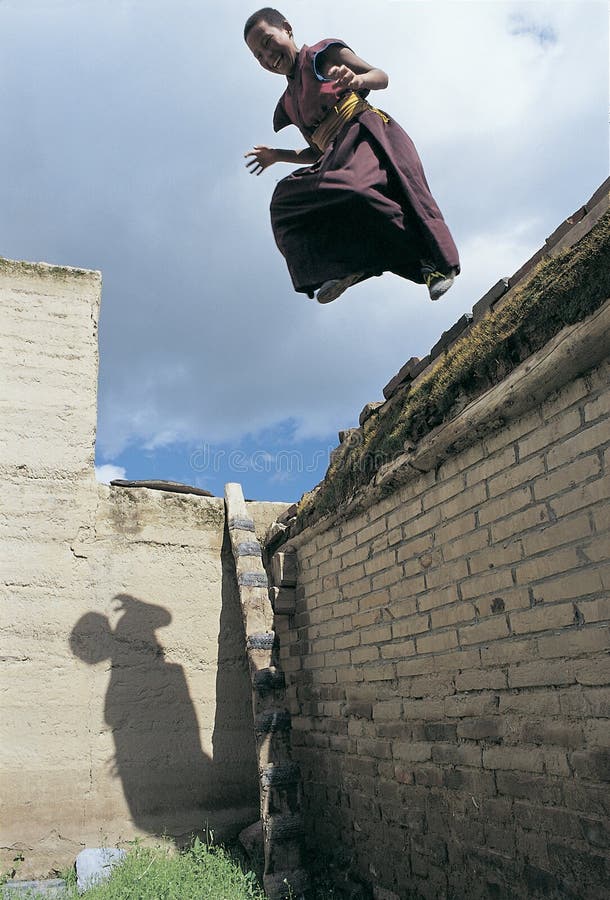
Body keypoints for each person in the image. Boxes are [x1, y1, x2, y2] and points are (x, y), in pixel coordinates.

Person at [244, 8, 460, 305]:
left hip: (365, 134)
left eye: (268, 43)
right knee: (284, 202)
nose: (267, 57)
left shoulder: (321, 55)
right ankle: (342, 265)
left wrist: (358, 82)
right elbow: (317, 151)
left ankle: (432, 261)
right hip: (334, 155)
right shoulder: (289, 103)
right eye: (258, 56)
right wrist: (277, 155)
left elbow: (380, 77)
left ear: (287, 28)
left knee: (355, 188)